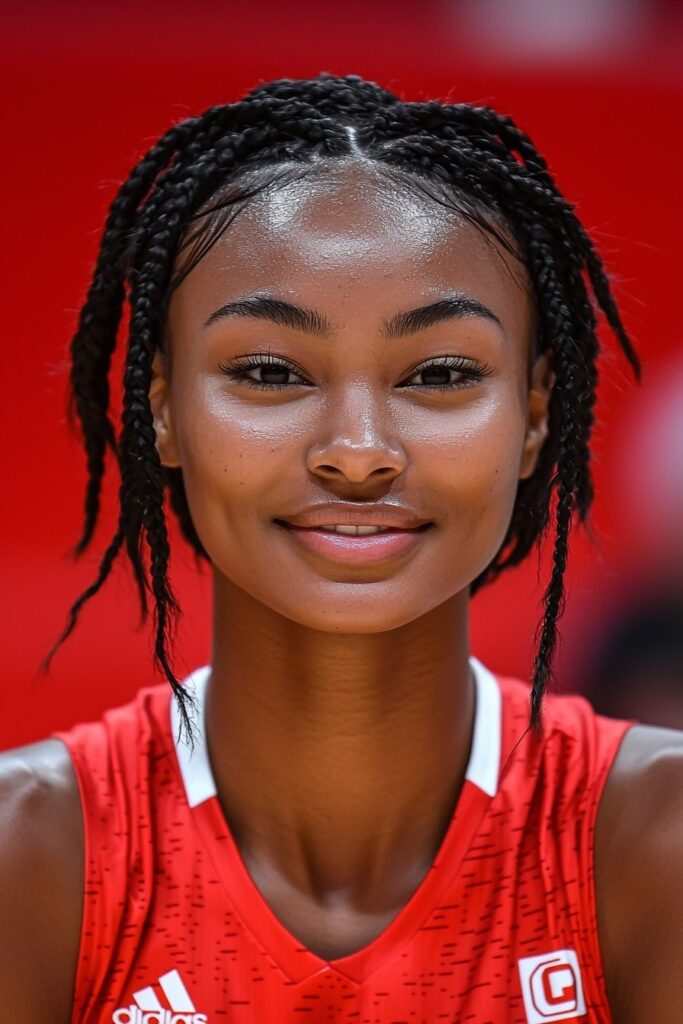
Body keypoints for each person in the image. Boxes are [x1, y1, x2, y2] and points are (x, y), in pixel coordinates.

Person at [0, 73, 681, 1024]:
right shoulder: (28, 857)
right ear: (163, 410)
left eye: (439, 373)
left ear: (534, 418)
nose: (357, 451)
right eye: (269, 371)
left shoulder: (657, 842)